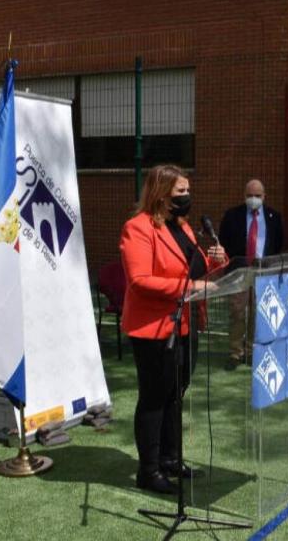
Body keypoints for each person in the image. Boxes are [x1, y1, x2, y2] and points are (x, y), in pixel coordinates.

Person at [120, 165, 227, 494]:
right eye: (181, 191)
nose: (187, 197)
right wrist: (189, 286)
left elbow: (196, 270)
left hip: (187, 324)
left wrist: (218, 262)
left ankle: (170, 459)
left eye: (187, 191)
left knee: (175, 396)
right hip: (154, 330)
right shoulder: (137, 228)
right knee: (154, 398)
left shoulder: (184, 227)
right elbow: (140, 281)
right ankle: (148, 470)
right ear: (161, 192)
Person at [218, 179, 284, 369]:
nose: (253, 199)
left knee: (257, 313)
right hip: (239, 270)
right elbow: (224, 241)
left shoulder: (274, 217)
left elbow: (278, 243)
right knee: (237, 312)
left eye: (257, 195)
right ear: (244, 196)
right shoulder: (232, 215)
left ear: (264, 197)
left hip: (263, 271)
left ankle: (251, 351)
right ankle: (235, 353)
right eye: (249, 195)